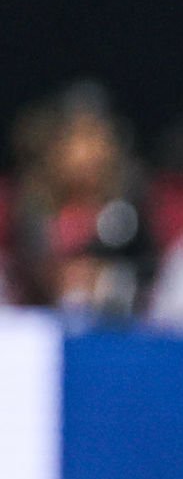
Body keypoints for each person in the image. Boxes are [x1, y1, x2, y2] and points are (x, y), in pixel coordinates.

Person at [5, 82, 160, 322]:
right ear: (55, 149)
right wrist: (60, 276)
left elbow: (149, 264)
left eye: (97, 139)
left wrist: (107, 277)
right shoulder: (35, 200)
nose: (90, 153)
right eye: (79, 140)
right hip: (42, 320)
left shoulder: (128, 197)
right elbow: (28, 267)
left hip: (118, 319)